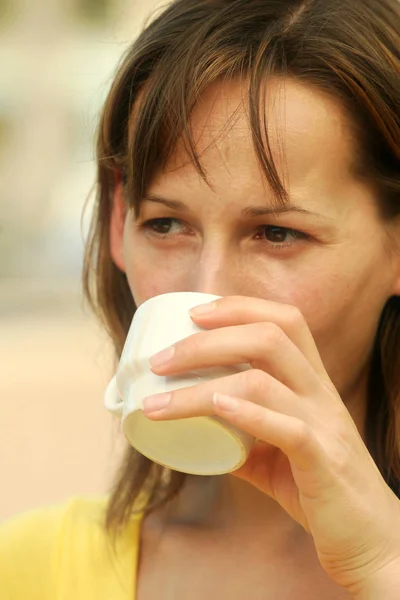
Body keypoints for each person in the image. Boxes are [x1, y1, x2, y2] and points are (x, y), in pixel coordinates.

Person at [1, 0, 400, 597]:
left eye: (277, 234)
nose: (205, 292)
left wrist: (385, 564)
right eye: (165, 224)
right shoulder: (29, 570)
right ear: (118, 221)